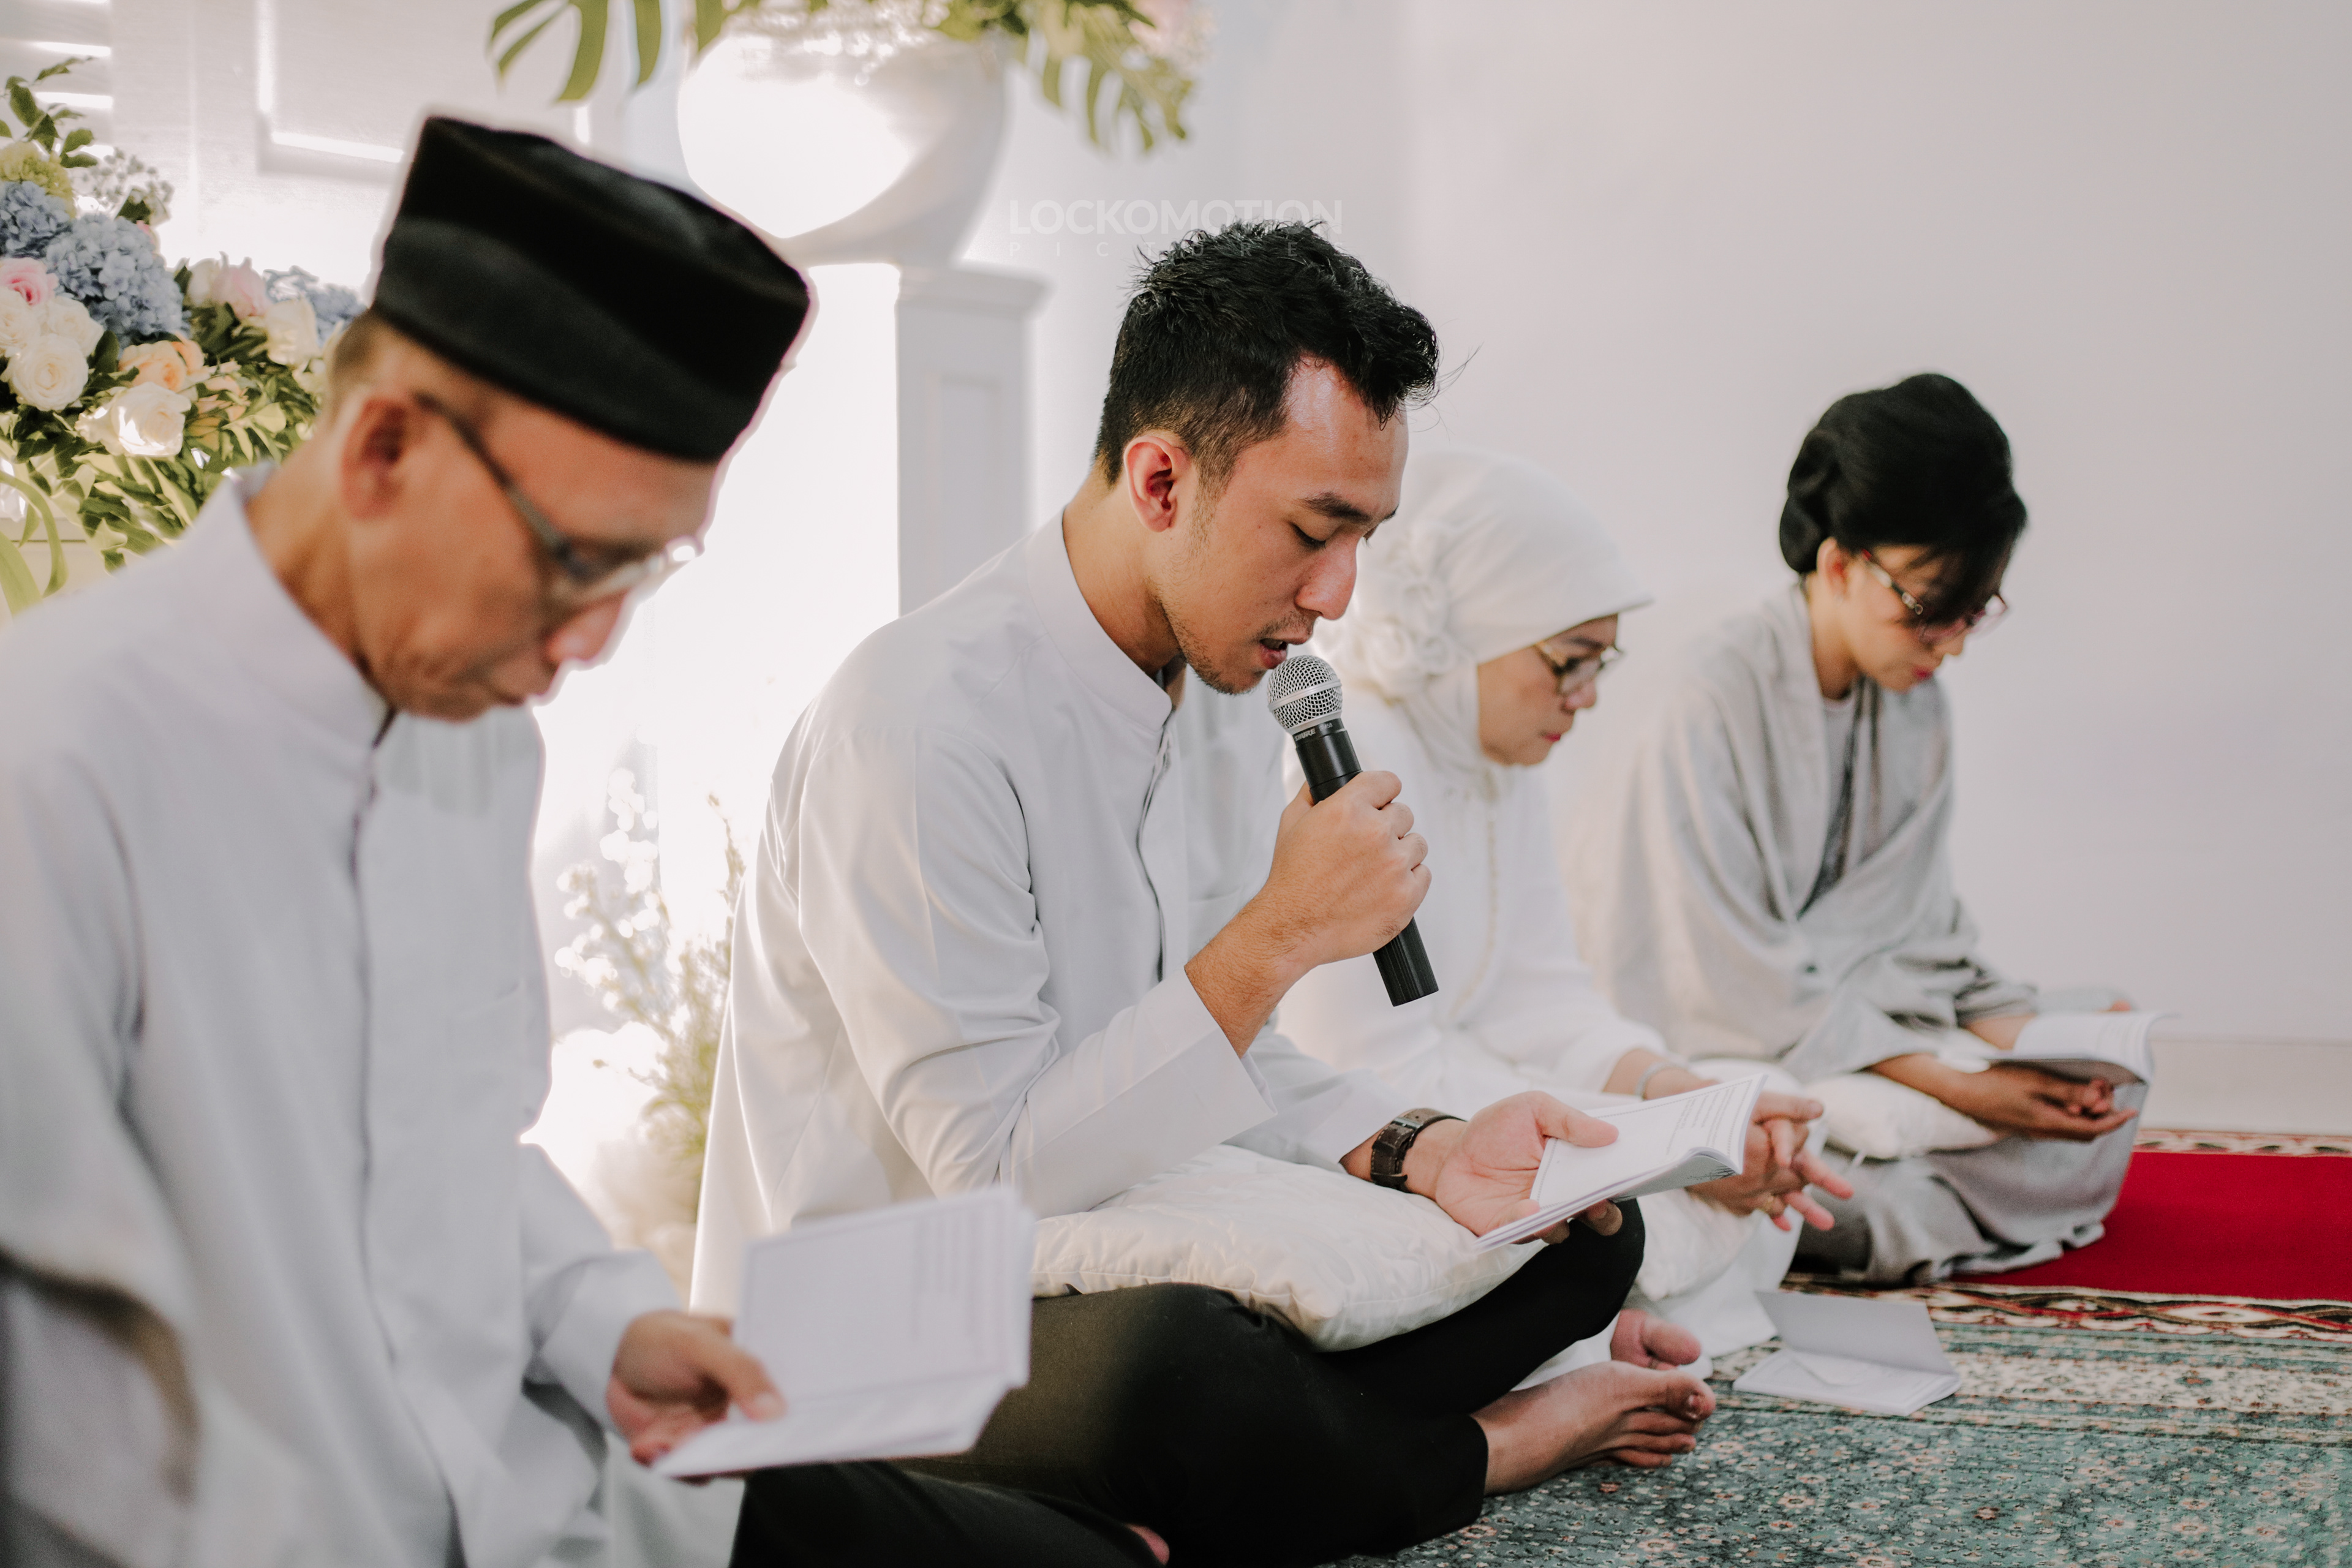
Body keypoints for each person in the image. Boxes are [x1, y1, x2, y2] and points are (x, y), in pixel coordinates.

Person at [0, 119, 1158, 1568]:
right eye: (576, 561)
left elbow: (457, 1151)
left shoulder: (476, 730)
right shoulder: (57, 769)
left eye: (645, 571)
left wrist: (607, 1320)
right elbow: (54, 1423)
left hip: (554, 1483)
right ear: (384, 446)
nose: (594, 642)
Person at [696, 224, 1717, 1568]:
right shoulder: (918, 724)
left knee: (1582, 1232)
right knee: (1182, 1371)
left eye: (1364, 538)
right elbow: (997, 1179)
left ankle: (1291, 1462)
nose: (1336, 595)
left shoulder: (1226, 682)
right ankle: (1496, 1442)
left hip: (1113, 1243)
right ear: (1162, 479)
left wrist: (1424, 1148)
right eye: (1313, 531)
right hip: (888, 1319)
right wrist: (1282, 933)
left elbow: (1219, 1054)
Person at [1566, 372, 2141, 1286]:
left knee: (2107, 1052)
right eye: (1930, 608)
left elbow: (1916, 937)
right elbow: (1721, 981)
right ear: (1839, 565)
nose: (1952, 643)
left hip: (1858, 1025)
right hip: (1722, 1038)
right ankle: (1871, 1215)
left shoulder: (1918, 704)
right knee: (1784, 1142)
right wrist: (1962, 1086)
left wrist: (2025, 1035)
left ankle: (1882, 1217)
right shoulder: (1708, 697)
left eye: (1974, 611)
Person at [1276, 449, 1853, 1356]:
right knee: (1633, 1213)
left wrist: (1679, 1095)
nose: (1584, 699)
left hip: (1476, 1090)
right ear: (1470, 635)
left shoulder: (1501, 760)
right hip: (1388, 1130)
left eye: (1601, 666)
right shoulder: (1352, 760)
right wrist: (1646, 1145)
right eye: (1567, 663)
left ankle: (1603, 1328)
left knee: (1751, 1117)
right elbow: (1364, 1067)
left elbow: (1539, 997)